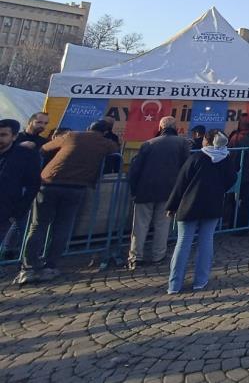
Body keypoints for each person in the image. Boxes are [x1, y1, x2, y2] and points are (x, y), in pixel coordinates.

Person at [14, 125, 119, 285]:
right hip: (78, 186)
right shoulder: (105, 143)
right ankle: (51, 265)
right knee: (63, 227)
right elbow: (115, 151)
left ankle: (29, 266)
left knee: (38, 225)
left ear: (89, 127)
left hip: (50, 182)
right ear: (105, 132)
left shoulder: (72, 135)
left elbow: (45, 148)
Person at [165, 130, 239, 293]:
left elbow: (181, 183)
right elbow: (232, 179)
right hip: (213, 204)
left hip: (190, 204)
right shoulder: (225, 160)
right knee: (206, 242)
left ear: (207, 141)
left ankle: (174, 284)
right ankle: (201, 280)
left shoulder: (196, 158)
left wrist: (172, 205)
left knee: (183, 243)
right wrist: (219, 190)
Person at [127, 115, 191, 269]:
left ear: (160, 127)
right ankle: (158, 255)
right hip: (168, 189)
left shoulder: (148, 143)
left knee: (140, 225)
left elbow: (135, 169)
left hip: (145, 188)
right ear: (175, 128)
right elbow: (185, 168)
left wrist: (133, 189)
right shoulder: (182, 143)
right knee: (163, 224)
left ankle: (136, 257)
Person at [0, 119, 41, 261]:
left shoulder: (25, 156)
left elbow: (33, 184)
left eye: (3, 135)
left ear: (14, 136)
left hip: (5, 209)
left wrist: (19, 210)